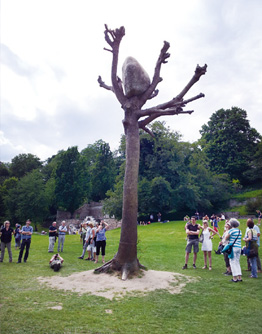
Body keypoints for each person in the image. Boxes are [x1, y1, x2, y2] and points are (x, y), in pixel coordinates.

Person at [225, 218, 242, 282]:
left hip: (233, 248)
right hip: (239, 247)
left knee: (232, 262)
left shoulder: (231, 230)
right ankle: (239, 277)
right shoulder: (239, 231)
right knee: (237, 262)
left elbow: (226, 238)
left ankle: (234, 278)